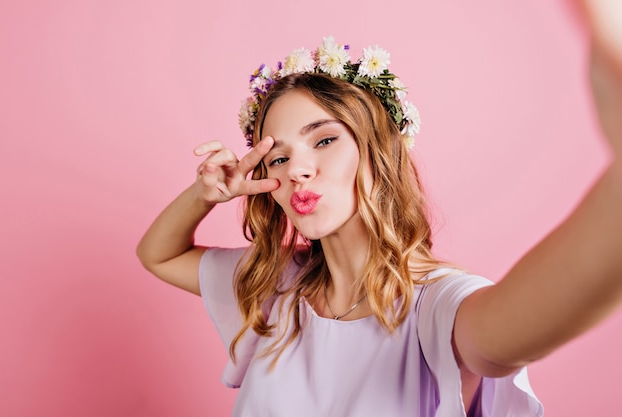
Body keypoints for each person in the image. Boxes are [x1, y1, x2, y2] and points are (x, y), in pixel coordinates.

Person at [136, 2, 622, 415]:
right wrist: (206, 194)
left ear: (377, 152)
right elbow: (158, 255)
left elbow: (538, 317)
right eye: (278, 156)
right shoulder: (276, 284)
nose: (297, 171)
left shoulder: (440, 308)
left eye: (324, 140)